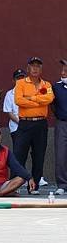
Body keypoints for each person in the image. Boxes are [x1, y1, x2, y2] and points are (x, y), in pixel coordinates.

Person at [13, 56, 54, 195]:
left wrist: (31, 98)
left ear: (41, 69)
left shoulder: (46, 84)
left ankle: (34, 186)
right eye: (32, 66)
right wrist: (38, 102)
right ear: (28, 68)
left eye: (38, 66)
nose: (35, 68)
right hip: (25, 123)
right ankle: (14, 185)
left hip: (41, 124)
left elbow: (49, 98)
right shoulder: (21, 83)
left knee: (39, 155)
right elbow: (19, 100)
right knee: (19, 154)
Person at [0, 124, 34, 197]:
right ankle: (4, 193)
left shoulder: (5, 151)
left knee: (21, 179)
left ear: (0, 136)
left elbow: (16, 167)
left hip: (3, 184)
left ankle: (0, 193)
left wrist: (29, 178)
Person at [52, 59, 67, 195]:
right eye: (62, 70)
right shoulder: (56, 87)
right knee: (61, 154)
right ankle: (62, 184)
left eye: (66, 70)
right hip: (62, 123)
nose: (63, 73)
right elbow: (52, 105)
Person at [2, 68, 27, 144]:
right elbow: (9, 112)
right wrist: (21, 123)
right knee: (18, 152)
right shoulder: (9, 94)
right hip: (16, 128)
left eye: (22, 78)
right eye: (18, 78)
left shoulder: (31, 92)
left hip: (31, 126)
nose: (20, 80)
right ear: (14, 80)